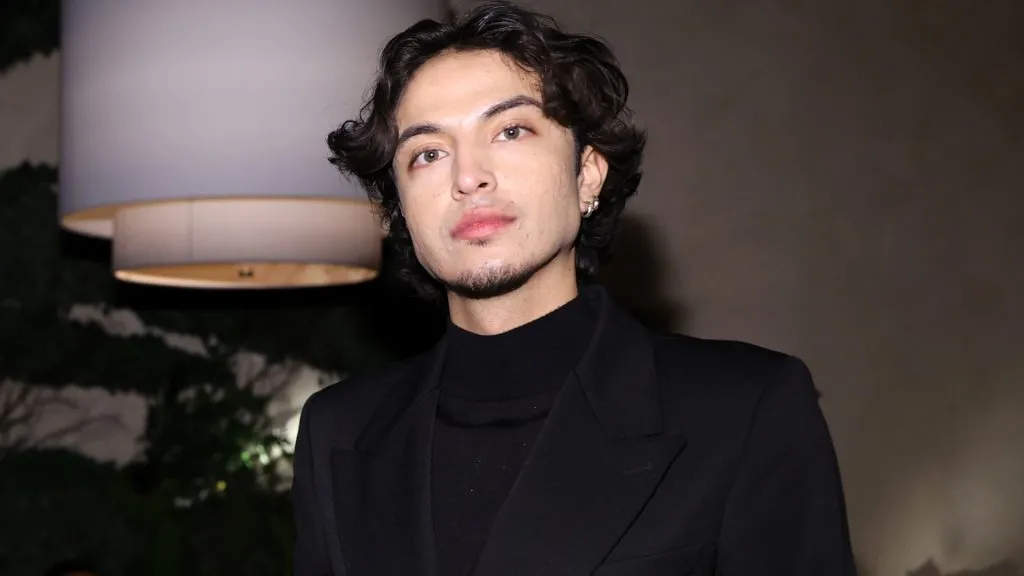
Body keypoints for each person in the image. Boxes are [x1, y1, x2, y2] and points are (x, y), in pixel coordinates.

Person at [292, 1, 856, 574]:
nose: (468, 177)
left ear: (587, 174)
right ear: (398, 211)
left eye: (511, 130)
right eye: (429, 153)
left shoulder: (745, 408)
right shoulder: (338, 431)